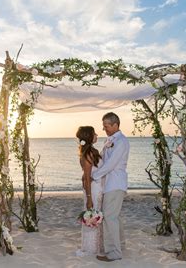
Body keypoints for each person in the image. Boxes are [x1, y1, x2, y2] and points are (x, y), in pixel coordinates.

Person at [92, 112, 129, 262]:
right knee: (115, 217)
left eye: (106, 126)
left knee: (110, 217)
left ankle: (114, 253)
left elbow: (111, 164)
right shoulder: (109, 140)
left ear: (115, 125)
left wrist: (94, 176)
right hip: (109, 184)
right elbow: (102, 160)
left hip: (115, 183)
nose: (104, 129)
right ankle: (120, 245)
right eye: (104, 126)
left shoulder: (121, 141)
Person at [75, 126, 104, 256]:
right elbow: (87, 178)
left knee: (97, 217)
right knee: (93, 216)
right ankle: (91, 249)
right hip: (93, 190)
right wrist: (89, 198)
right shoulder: (88, 154)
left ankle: (97, 246)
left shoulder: (93, 151)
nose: (97, 135)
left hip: (98, 188)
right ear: (89, 137)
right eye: (94, 133)